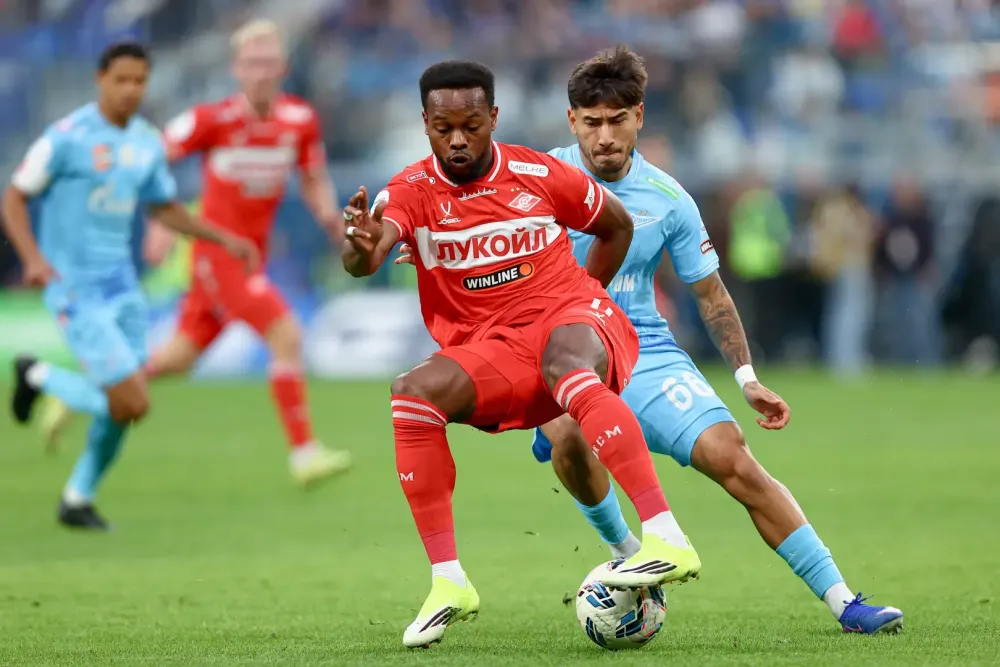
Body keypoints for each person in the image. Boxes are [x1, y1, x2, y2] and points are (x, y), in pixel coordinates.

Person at [398, 46, 903, 635]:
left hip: (646, 351)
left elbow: (711, 296)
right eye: (592, 122)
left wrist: (746, 377)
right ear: (571, 121)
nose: (604, 136)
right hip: (553, 352)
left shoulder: (669, 199)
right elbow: (455, 225)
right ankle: (629, 554)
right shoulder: (534, 176)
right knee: (568, 434)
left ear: (639, 117)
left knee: (732, 456)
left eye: (617, 121)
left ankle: (844, 601)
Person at [341, 60, 701, 648]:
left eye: (472, 125)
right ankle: (449, 581)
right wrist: (358, 246)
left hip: (574, 317)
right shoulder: (410, 191)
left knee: (567, 365)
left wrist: (585, 298)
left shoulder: (539, 172)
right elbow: (369, 254)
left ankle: (666, 535)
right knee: (411, 394)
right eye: (444, 128)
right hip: (498, 349)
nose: (458, 140)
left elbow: (616, 226)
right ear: (425, 124)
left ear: (493, 118)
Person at [40, 20, 351, 487]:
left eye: (268, 62)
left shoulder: (299, 121)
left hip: (251, 256)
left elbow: (311, 177)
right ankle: (304, 453)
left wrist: (330, 219)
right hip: (217, 255)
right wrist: (159, 221)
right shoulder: (212, 120)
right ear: (236, 69)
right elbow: (152, 159)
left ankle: (79, 390)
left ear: (283, 68)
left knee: (177, 359)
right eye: (251, 63)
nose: (260, 72)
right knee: (285, 333)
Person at [2, 42, 258, 529]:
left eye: (139, 80)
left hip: (123, 289)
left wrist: (224, 238)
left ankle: (77, 498)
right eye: (121, 79)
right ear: (100, 79)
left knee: (124, 404)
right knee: (133, 401)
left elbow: (164, 208)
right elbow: (14, 197)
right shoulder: (67, 137)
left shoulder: (146, 141)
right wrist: (33, 259)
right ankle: (36, 374)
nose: (131, 89)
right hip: (75, 289)